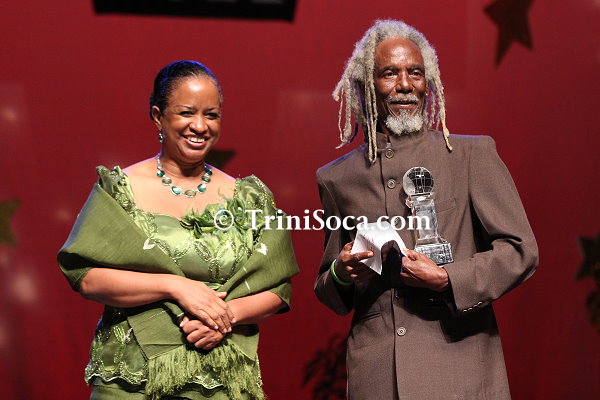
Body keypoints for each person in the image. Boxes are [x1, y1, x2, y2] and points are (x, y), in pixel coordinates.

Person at [314, 20, 538, 399]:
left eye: (415, 73)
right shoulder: (337, 177)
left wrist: (448, 278)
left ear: (428, 81)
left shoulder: (470, 155)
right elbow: (329, 289)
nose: (405, 85)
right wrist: (342, 272)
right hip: (378, 372)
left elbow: (520, 251)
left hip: (459, 363)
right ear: (366, 85)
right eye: (389, 73)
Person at [58, 60, 298, 400]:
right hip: (131, 383)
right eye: (186, 113)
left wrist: (225, 317)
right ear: (158, 116)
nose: (199, 126)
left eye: (211, 115)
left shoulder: (250, 196)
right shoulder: (120, 190)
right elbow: (86, 277)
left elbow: (278, 288)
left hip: (221, 377)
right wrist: (174, 286)